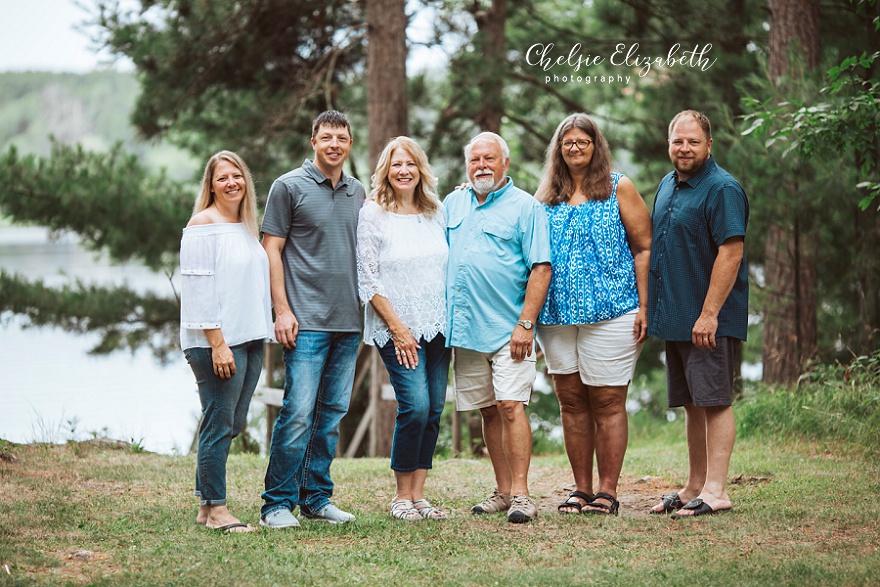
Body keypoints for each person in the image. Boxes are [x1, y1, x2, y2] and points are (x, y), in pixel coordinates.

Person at [534, 114, 652, 516]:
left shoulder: (619, 187)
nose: (575, 147)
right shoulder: (546, 195)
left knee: (607, 400)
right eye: (567, 142)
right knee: (570, 401)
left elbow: (644, 248)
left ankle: (607, 491)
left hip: (614, 311)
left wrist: (645, 305)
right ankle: (581, 489)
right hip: (556, 315)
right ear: (559, 149)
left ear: (595, 145)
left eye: (583, 141)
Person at [260, 110, 366, 528]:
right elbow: (271, 250)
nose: (334, 144)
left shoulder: (359, 192)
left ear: (350, 143)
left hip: (348, 322)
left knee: (331, 414)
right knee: (298, 412)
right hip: (304, 322)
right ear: (314, 142)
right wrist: (282, 311)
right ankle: (276, 504)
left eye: (341, 137)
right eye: (326, 137)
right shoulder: (287, 187)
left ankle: (316, 497)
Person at [445, 131, 552, 524]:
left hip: (510, 331)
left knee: (511, 406)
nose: (482, 166)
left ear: (505, 163)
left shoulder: (526, 207)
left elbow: (541, 267)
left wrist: (526, 324)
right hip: (466, 330)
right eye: (475, 160)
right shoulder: (453, 203)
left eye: (489, 159)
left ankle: (523, 494)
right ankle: (503, 491)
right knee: (488, 411)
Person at [647, 110, 749, 518]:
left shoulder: (722, 188)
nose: (684, 148)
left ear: (709, 145)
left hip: (710, 319)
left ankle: (716, 490)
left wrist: (709, 314)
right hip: (678, 317)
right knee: (692, 402)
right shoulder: (668, 184)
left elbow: (732, 250)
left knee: (716, 400)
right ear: (668, 143)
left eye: (692, 141)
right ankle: (694, 484)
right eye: (677, 141)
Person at [356, 137, 451, 521]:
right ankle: (400, 496)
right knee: (415, 406)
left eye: (410, 163)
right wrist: (398, 328)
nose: (403, 171)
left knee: (435, 409)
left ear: (420, 169)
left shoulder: (437, 211)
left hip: (439, 325)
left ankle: (419, 496)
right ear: (385, 170)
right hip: (397, 326)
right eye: (396, 164)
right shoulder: (373, 213)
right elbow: (368, 278)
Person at [180, 150, 273, 534]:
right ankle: (218, 509)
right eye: (223, 178)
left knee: (230, 421)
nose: (231, 182)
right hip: (216, 342)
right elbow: (198, 291)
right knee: (219, 422)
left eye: (237, 176)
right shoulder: (203, 224)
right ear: (211, 185)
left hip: (250, 337)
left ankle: (205, 504)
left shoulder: (246, 226)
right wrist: (217, 343)